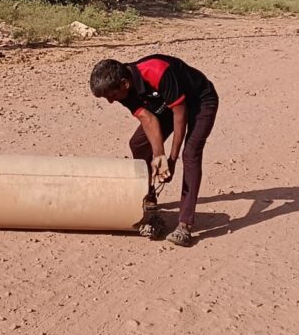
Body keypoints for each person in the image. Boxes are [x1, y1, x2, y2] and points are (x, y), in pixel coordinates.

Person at [90, 55, 219, 247]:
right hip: (166, 105)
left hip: (200, 100)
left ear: (124, 83)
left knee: (190, 154)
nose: (110, 101)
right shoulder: (123, 88)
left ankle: (185, 225)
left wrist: (172, 159)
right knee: (138, 144)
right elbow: (148, 118)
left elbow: (180, 115)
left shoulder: (157, 71)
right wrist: (159, 156)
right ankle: (148, 195)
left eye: (111, 95)